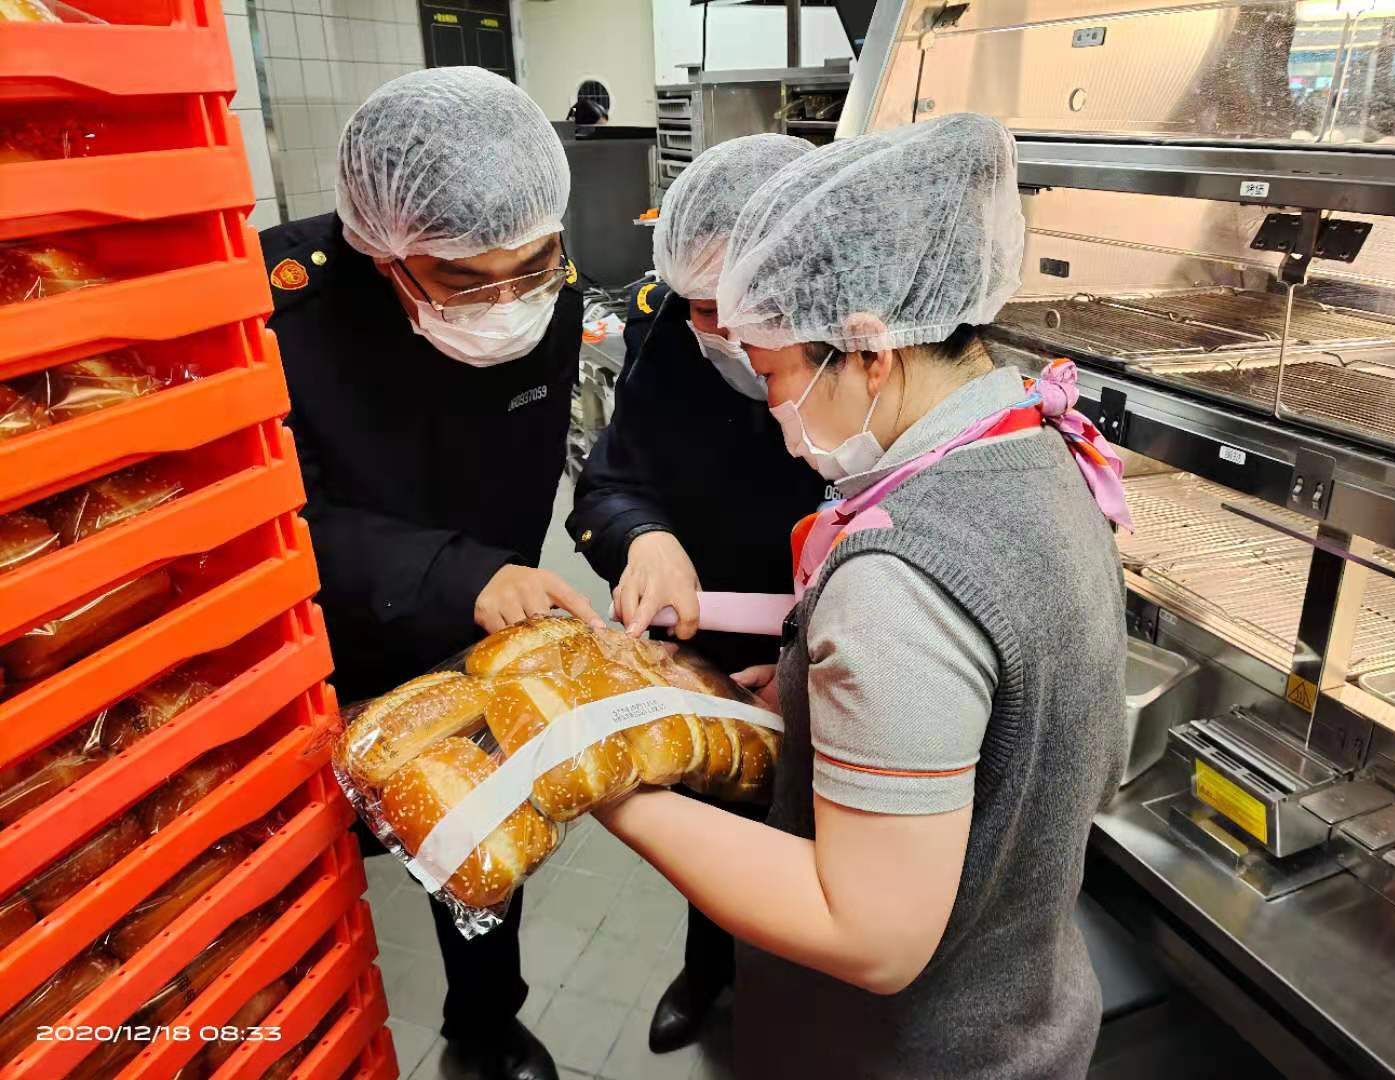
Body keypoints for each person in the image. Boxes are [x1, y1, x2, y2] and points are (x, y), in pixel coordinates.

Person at [594, 113, 1133, 1078]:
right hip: (1022, 1012)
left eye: (772, 377)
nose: (774, 413)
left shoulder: (900, 579)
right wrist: (806, 688)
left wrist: (606, 780)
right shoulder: (1040, 454)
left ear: (869, 352)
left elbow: (869, 936)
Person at [261, 67, 604, 1080]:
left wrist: (503, 583)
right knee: (302, 856)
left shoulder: (551, 284)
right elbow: (278, 515)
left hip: (472, 621)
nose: (507, 301)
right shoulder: (287, 304)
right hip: (323, 635)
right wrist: (459, 573)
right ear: (383, 249)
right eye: (464, 280)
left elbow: (526, 464)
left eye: (531, 266)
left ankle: (486, 1028)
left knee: (479, 842)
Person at [565, 133, 826, 1052]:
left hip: (840, 654)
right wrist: (648, 538)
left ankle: (785, 1014)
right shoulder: (669, 331)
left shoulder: (874, 370)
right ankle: (707, 972)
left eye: (732, 313)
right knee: (723, 823)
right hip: (711, 640)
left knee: (823, 861)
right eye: (697, 309)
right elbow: (609, 481)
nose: (712, 332)